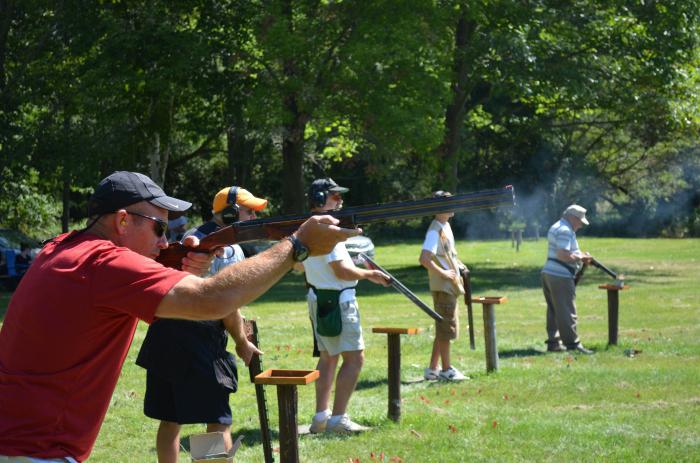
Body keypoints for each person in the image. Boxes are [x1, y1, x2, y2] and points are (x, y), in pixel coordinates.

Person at [0, 171, 357, 462]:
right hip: (40, 451)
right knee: (216, 421)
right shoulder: (105, 263)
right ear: (122, 220)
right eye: (159, 228)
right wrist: (297, 245)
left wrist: (182, 266)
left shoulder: (61, 247)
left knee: (176, 421)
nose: (163, 241)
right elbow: (215, 299)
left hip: (21, 436)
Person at [137, 185, 269, 463]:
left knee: (170, 419)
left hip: (165, 334)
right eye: (248, 212)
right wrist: (242, 342)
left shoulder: (192, 237)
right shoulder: (224, 248)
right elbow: (224, 304)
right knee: (217, 420)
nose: (254, 217)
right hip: (199, 340)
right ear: (231, 215)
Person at [301, 178, 390, 435]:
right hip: (338, 301)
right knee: (354, 358)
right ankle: (338, 418)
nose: (340, 201)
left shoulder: (307, 228)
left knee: (328, 358)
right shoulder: (329, 231)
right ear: (319, 199)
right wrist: (368, 274)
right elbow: (340, 269)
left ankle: (321, 417)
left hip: (318, 297)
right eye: (334, 197)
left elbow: (301, 266)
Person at [419, 190, 468, 381]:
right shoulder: (434, 230)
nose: (453, 206)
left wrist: (460, 266)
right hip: (443, 287)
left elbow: (448, 255)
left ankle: (432, 369)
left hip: (450, 286)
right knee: (447, 329)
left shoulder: (445, 226)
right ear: (439, 208)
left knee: (443, 327)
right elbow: (424, 258)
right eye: (448, 203)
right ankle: (446, 370)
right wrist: (444, 273)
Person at [541, 204, 594, 354]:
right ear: (572, 217)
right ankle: (573, 344)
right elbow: (563, 254)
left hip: (550, 273)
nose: (580, 225)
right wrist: (581, 257)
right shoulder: (565, 230)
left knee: (554, 310)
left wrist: (579, 255)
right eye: (579, 222)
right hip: (560, 275)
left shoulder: (557, 227)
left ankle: (554, 342)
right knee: (566, 310)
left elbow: (564, 252)